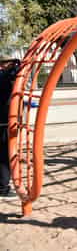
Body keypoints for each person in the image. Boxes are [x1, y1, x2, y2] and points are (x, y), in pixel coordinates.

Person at [0, 59, 20, 199]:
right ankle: (2, 188)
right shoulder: (3, 77)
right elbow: (14, 74)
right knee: (4, 156)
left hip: (4, 121)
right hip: (3, 123)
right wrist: (16, 65)